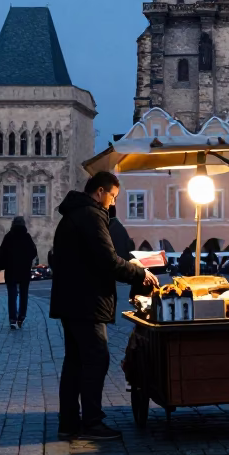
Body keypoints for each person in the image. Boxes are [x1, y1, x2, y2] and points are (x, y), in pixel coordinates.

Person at [49, 171, 158, 441]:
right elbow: (106, 261)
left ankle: (69, 423)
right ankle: (92, 423)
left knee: (75, 362)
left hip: (72, 301)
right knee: (96, 359)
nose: (113, 203)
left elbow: (96, 256)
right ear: (100, 191)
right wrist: (140, 273)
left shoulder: (74, 214)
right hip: (87, 301)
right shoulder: (90, 215)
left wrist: (129, 266)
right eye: (113, 196)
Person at [0, 216, 39, 330]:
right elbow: (33, 251)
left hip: (11, 270)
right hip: (24, 270)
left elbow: (2, 253)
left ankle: (12, 318)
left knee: (12, 295)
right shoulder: (27, 237)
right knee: (24, 294)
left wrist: (3, 264)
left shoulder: (9, 237)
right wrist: (26, 260)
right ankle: (21, 316)